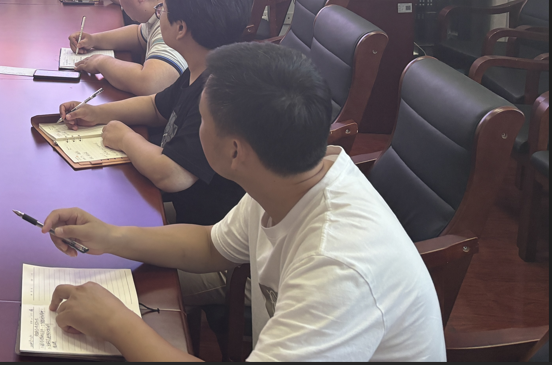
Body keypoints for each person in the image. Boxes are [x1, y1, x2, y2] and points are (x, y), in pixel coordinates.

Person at [42, 43, 446, 362]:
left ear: (235, 151)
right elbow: (211, 245)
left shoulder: (337, 266)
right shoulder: (289, 177)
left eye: (201, 120)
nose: (194, 130)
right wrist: (109, 236)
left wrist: (117, 324)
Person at [59, 0, 249, 226]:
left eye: (162, 10)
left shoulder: (217, 94)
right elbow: (156, 107)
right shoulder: (201, 66)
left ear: (180, 28)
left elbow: (171, 174)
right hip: (180, 209)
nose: (157, 16)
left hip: (203, 227)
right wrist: (96, 113)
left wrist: (126, 138)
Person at [67, 0, 184, 95]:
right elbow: (138, 35)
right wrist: (93, 40)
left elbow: (150, 83)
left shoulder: (171, 22)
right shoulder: (162, 8)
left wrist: (101, 62)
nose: (119, 1)